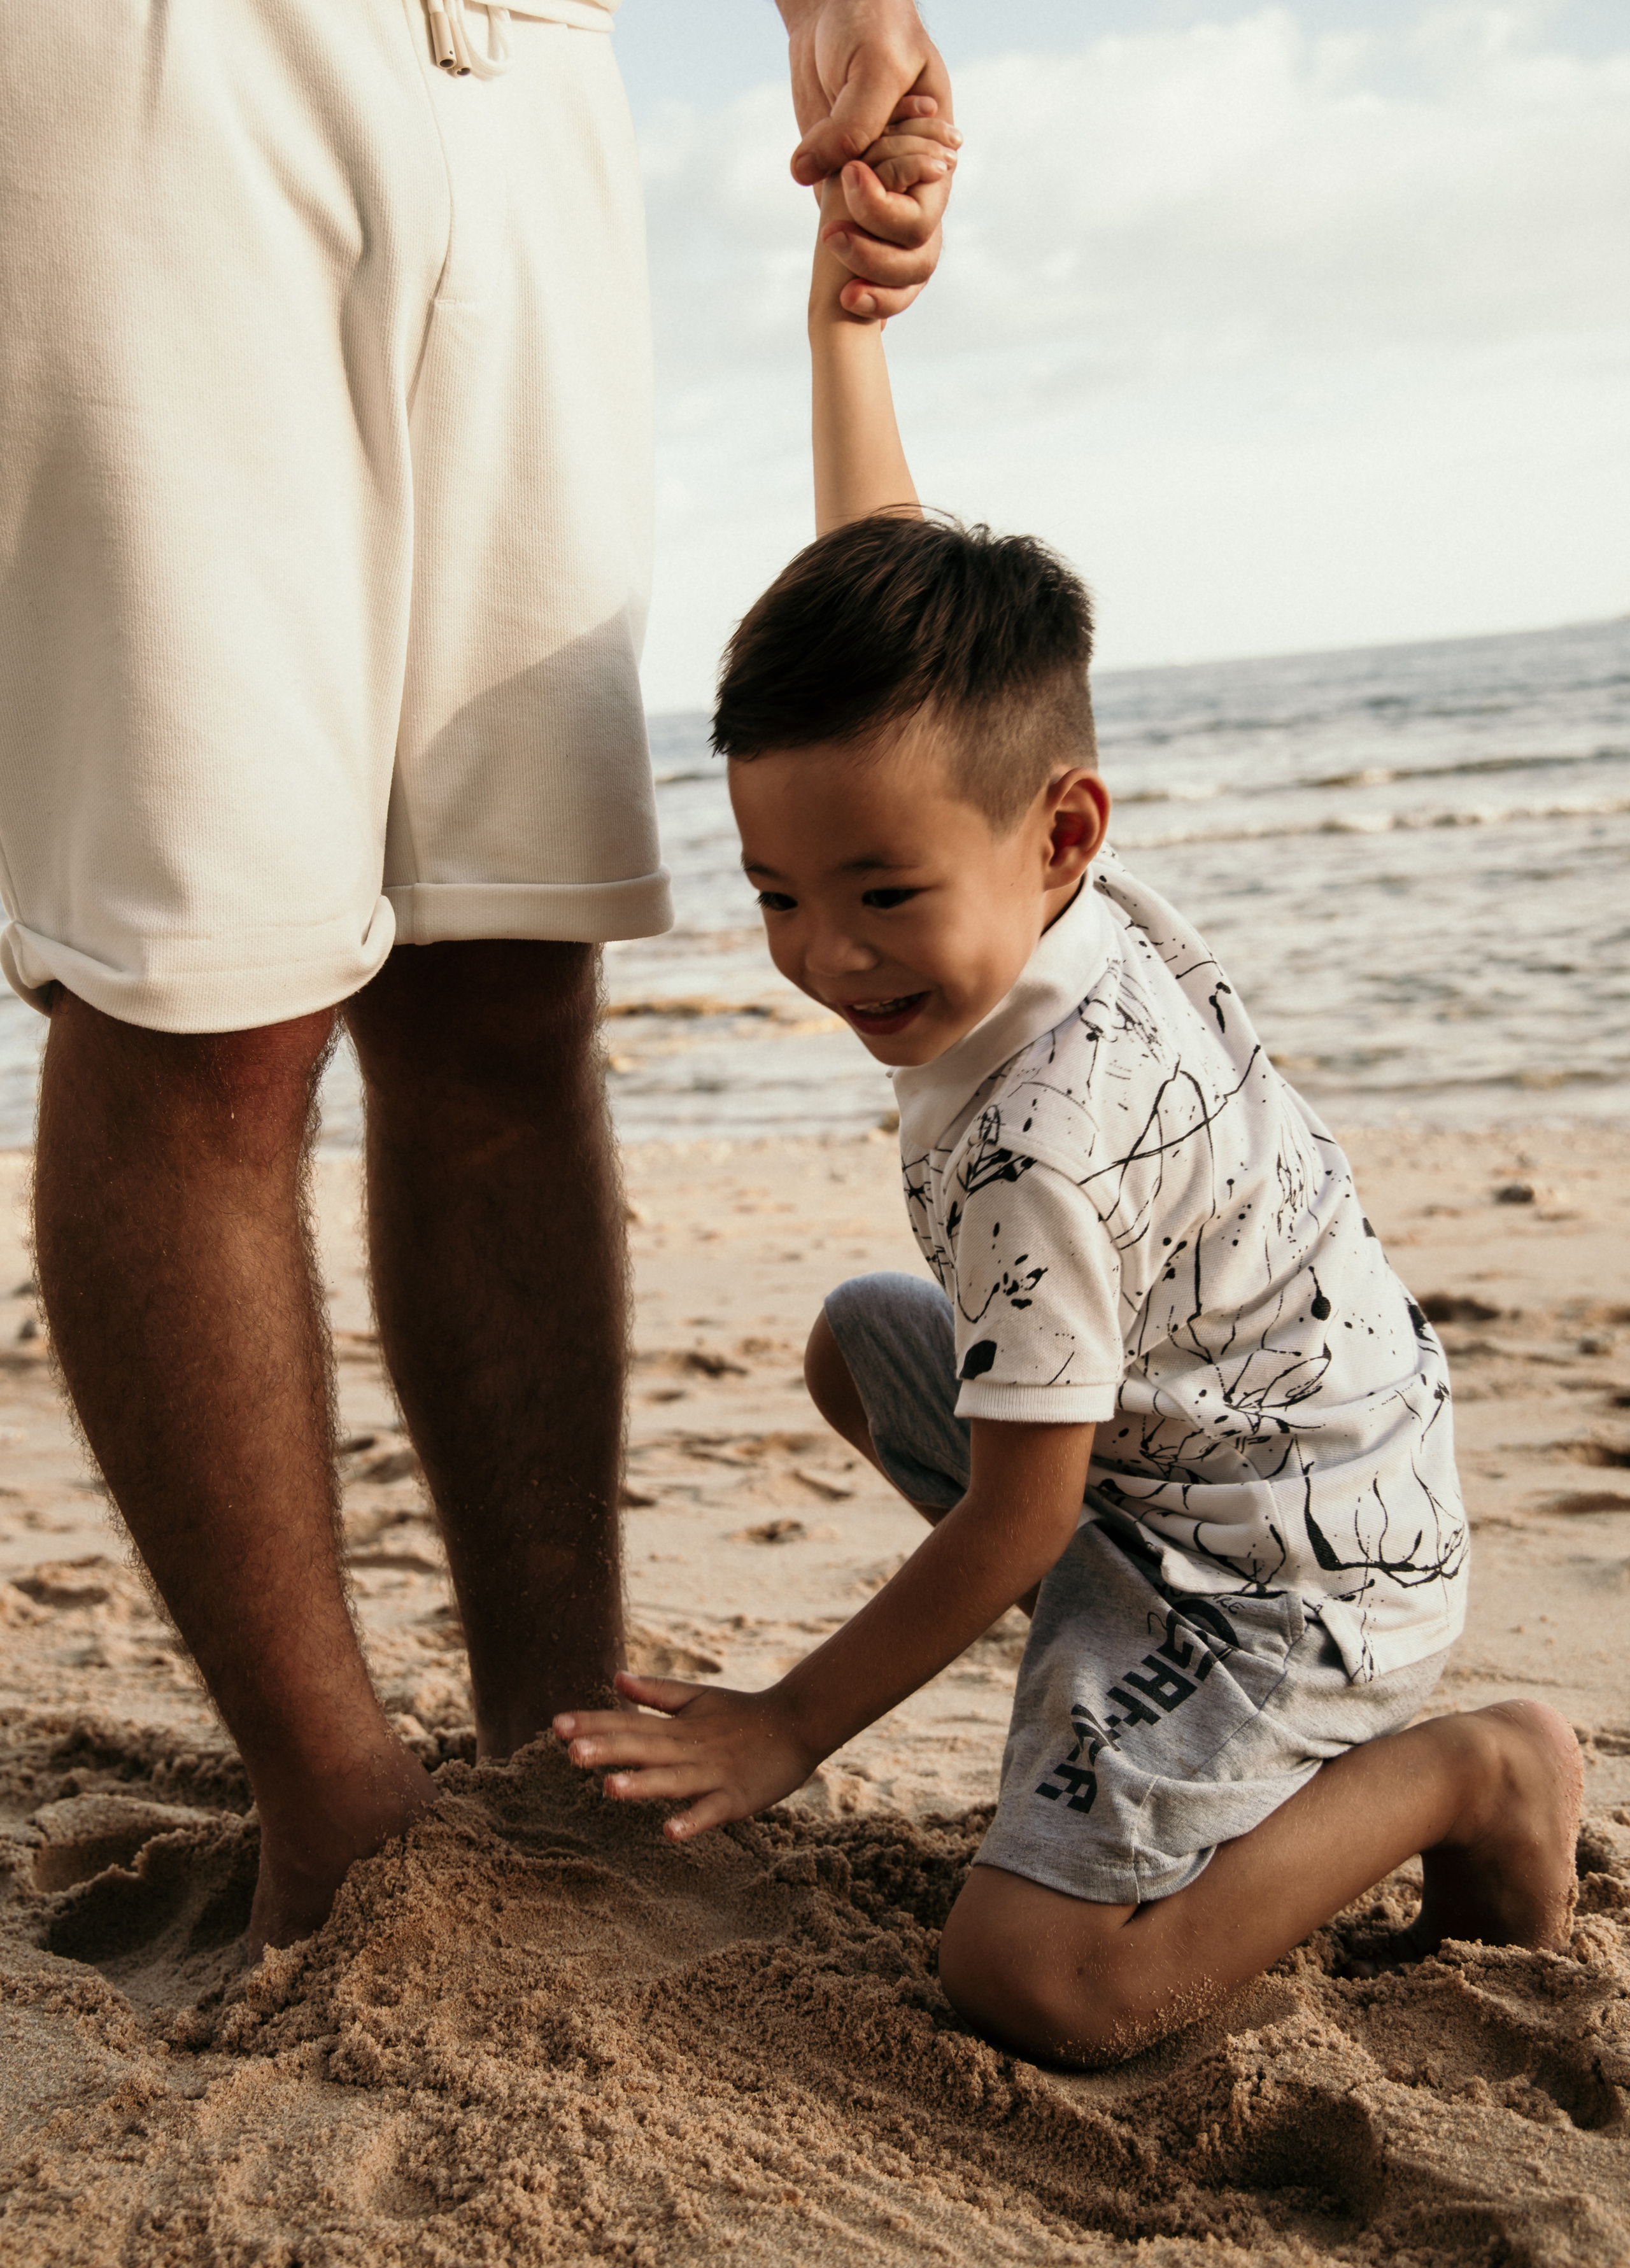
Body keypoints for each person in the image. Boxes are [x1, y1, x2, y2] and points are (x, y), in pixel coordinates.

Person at [553, 127, 1583, 2067]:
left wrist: (786, 1721)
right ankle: (1158, 1709)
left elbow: (1016, 1520)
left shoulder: (1040, 1137)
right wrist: (842, 323)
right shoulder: (1036, 862)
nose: (829, 955)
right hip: (1245, 1442)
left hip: (1287, 1566)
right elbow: (892, 555)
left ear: (1059, 831)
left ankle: (1478, 1771)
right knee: (870, 1342)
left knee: (1036, 1980)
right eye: (780, 894)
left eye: (879, 899)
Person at [0, 0, 956, 1954]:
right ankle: (333, 1807)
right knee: (208, 992)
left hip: (534, 64)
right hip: (153, 56)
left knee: (512, 978)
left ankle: (560, 1741)